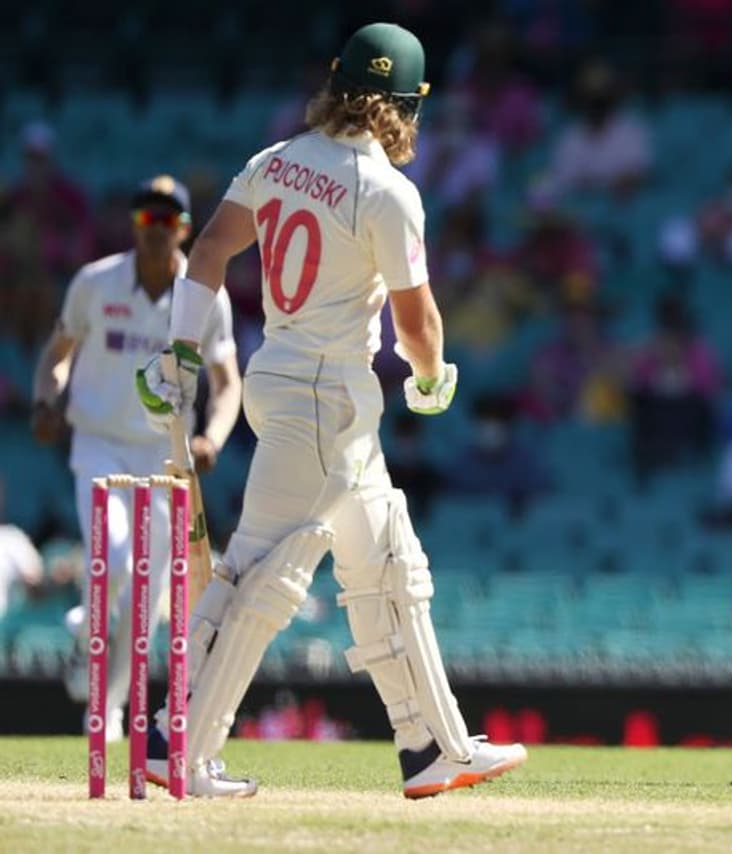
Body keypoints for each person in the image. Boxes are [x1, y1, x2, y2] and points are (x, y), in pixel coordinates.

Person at [134, 22, 527, 799]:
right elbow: (416, 323)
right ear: (404, 109)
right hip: (326, 395)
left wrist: (180, 350)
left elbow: (208, 250)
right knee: (259, 573)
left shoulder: (276, 160)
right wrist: (431, 376)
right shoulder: (388, 191)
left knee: (386, 567)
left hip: (286, 380)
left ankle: (432, 746)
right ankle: (175, 744)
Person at [30, 175, 241, 742]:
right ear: (133, 224)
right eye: (147, 217)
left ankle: (112, 710)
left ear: (185, 229)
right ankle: (85, 638)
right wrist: (47, 400)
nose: (156, 229)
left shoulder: (204, 298)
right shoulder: (96, 284)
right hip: (99, 443)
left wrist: (214, 438)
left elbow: (227, 385)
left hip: (166, 455)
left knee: (148, 596)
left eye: (167, 219)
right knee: (119, 561)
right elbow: (58, 353)